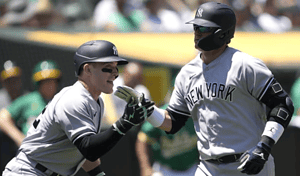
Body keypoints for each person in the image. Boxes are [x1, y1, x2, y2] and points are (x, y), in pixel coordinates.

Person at [117, 2, 294, 176]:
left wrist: (265, 145)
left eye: (203, 28)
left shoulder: (245, 65)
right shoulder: (187, 73)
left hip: (249, 163)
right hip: (208, 167)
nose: (196, 33)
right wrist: (148, 110)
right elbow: (173, 122)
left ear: (222, 33)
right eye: (195, 27)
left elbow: (283, 105)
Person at [2, 40, 155, 176]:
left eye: (116, 68)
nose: (115, 73)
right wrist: (125, 123)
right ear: (88, 70)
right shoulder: (74, 99)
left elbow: (82, 153)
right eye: (108, 68)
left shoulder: (96, 101)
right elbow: (89, 148)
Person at [0, 60, 61, 147]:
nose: (49, 85)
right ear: (38, 83)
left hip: (52, 152)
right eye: (45, 81)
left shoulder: (61, 101)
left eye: (51, 80)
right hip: (29, 152)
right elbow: (2, 118)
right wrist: (20, 139)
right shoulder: (29, 99)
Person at [136, 103, 198, 176]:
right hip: (166, 170)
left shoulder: (198, 113)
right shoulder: (161, 115)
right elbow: (142, 139)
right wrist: (145, 168)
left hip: (194, 167)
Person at [0, 60, 26, 175]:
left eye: (15, 79)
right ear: (3, 82)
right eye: (9, 80)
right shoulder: (1, 99)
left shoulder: (27, 98)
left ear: (20, 79)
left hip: (22, 153)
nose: (12, 83)